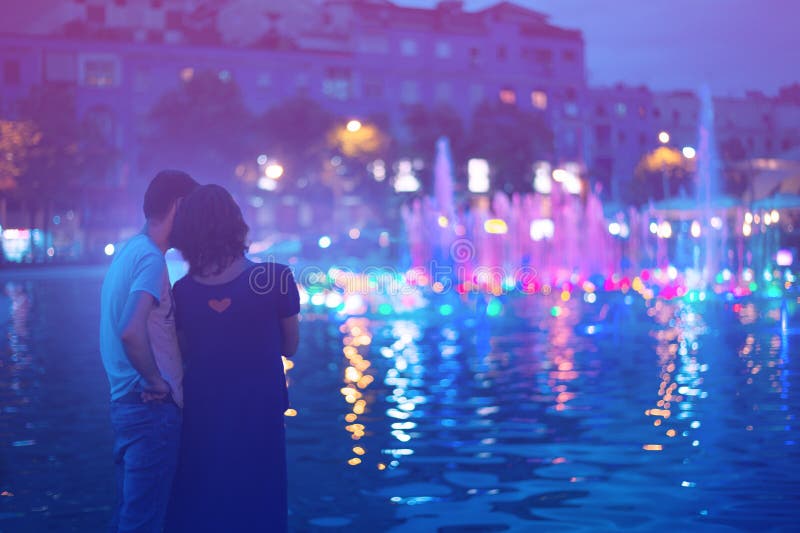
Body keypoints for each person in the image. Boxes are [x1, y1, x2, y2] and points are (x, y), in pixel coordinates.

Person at [165, 184, 300, 532]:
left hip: (204, 412)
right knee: (260, 500)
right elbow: (290, 347)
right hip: (259, 410)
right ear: (238, 225)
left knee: (208, 498)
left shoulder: (183, 291)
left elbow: (184, 352)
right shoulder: (276, 278)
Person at [99, 170, 199, 532]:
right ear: (179, 206)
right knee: (144, 522)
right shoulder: (151, 260)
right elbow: (130, 330)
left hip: (127, 405)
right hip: (150, 410)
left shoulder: (129, 252)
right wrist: (156, 380)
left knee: (130, 515)